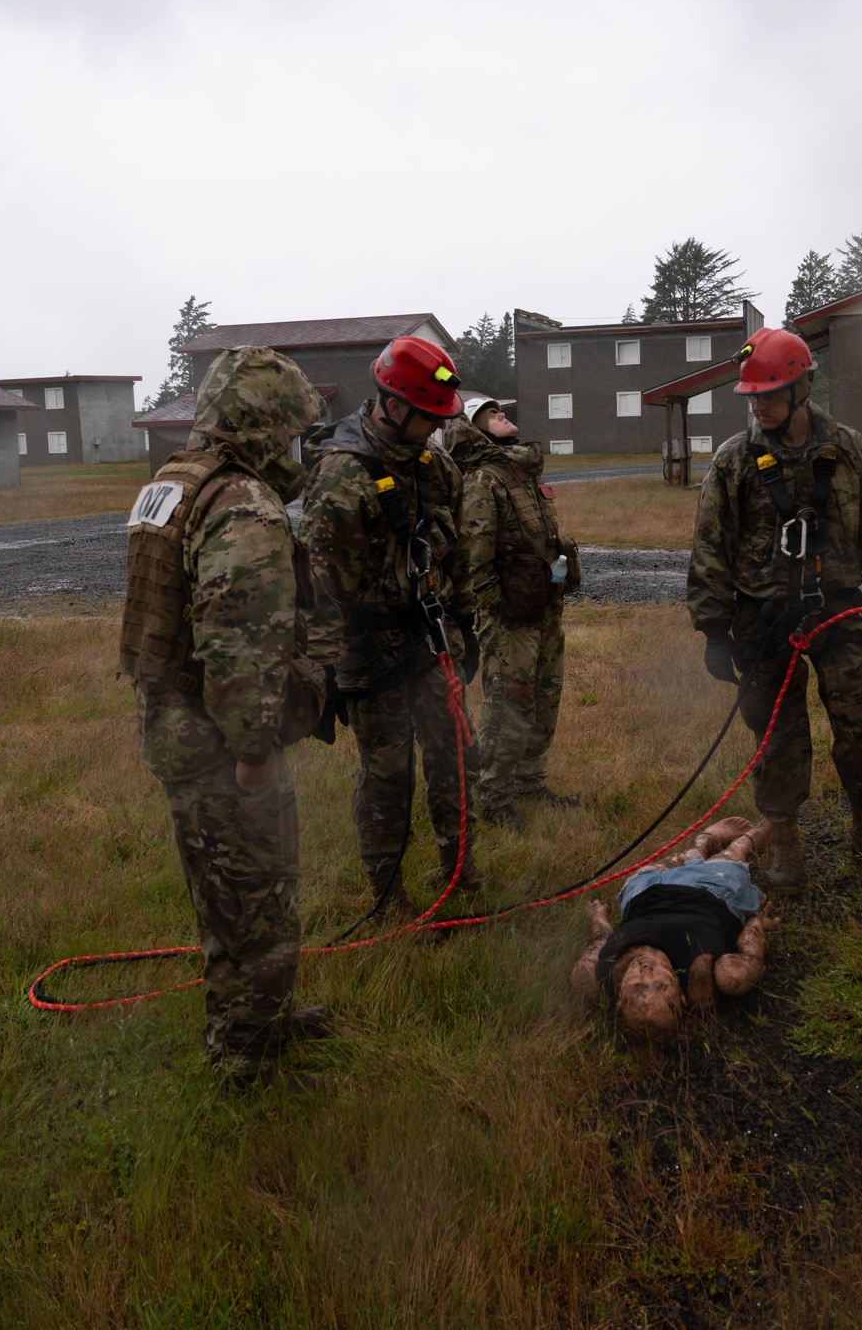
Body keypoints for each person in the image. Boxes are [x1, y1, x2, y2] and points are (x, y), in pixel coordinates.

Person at [120, 346, 329, 1089]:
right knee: (256, 896)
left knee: (224, 889)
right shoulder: (240, 501)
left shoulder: (173, 482)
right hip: (217, 737)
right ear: (264, 423)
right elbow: (236, 639)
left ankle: (259, 1022)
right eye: (292, 427)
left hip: (174, 721)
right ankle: (247, 1058)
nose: (301, 442)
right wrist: (252, 748)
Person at [687, 326, 862, 894]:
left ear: (803, 388)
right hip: (763, 620)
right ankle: (788, 857)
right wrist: (715, 630)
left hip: (839, 611)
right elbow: (710, 549)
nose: (759, 404)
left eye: (770, 393)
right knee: (776, 739)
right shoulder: (734, 461)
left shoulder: (848, 450)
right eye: (751, 396)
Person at [300, 336, 483, 918]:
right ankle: (387, 895)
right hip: (370, 648)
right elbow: (325, 592)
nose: (434, 429)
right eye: (427, 418)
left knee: (453, 757)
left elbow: (456, 558)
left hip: (433, 643)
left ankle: (460, 868)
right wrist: (329, 671)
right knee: (388, 775)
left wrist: (464, 625)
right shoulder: (340, 478)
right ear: (393, 406)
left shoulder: (436, 467)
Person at [446, 397, 580, 828]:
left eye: (499, 410)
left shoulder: (523, 472)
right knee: (508, 707)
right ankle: (493, 795)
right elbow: (474, 560)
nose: (501, 414)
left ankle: (529, 783)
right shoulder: (484, 480)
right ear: (477, 430)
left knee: (545, 699)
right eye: (490, 414)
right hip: (510, 619)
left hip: (544, 609)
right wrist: (498, 615)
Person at [570, 817, 780, 1042]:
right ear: (680, 996)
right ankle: (748, 839)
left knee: (676, 860)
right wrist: (756, 925)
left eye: (638, 985)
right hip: (712, 892)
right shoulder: (717, 975)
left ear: (620, 997)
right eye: (658, 984)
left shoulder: (593, 973)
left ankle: (704, 842)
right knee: (732, 854)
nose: (646, 970)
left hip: (647, 891)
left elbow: (601, 938)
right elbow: (749, 957)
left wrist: (598, 916)